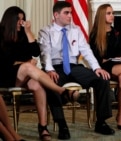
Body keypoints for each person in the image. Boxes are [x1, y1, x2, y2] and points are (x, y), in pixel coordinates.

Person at [0, 6, 79, 141]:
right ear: (10, 20)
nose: (21, 22)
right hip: (4, 75)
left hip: (21, 74)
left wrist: (29, 32)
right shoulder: (0, 34)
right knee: (27, 67)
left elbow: (35, 52)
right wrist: (23, 63)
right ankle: (62, 91)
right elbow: (4, 61)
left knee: (37, 84)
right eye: (18, 19)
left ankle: (43, 127)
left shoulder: (23, 34)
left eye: (23, 19)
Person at [38, 1, 115, 138]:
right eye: (66, 13)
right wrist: (49, 70)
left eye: (71, 13)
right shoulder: (46, 31)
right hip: (56, 67)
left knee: (102, 80)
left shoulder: (76, 30)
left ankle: (101, 122)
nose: (70, 16)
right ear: (56, 15)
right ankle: (62, 125)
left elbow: (86, 50)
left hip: (74, 67)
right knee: (50, 83)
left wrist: (97, 68)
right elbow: (46, 53)